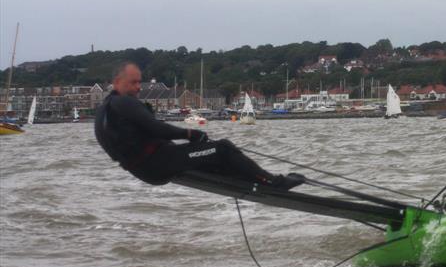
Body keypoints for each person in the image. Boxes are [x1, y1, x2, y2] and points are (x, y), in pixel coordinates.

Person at [95, 62, 304, 189]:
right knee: (222, 148)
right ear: (117, 81)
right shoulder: (123, 102)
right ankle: (273, 183)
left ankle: (248, 180)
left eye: (140, 82)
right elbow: (156, 129)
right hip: (157, 164)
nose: (138, 88)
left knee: (209, 154)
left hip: (145, 168)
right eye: (133, 82)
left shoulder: (106, 110)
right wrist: (190, 133)